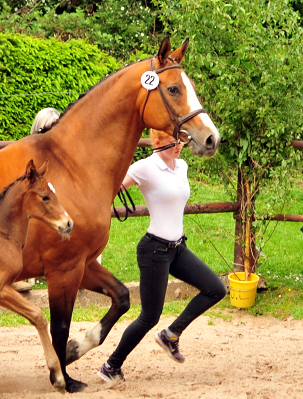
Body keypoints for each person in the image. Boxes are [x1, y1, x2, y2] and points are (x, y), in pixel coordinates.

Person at [97, 129, 226, 383]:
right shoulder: (145, 167)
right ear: (156, 142)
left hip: (178, 249)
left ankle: (171, 334)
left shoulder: (182, 166)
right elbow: (111, 187)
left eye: (181, 142)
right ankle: (111, 366)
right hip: (154, 250)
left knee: (215, 288)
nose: (178, 147)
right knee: (149, 316)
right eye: (171, 143)